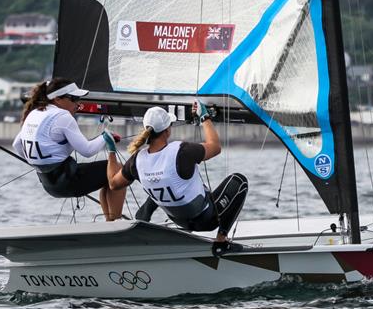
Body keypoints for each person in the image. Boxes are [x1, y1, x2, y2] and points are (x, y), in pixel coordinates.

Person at [107, 100, 248, 251]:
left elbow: (113, 184)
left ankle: (141, 221)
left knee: (159, 181)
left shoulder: (137, 160)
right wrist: (205, 117)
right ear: (167, 130)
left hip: (180, 222)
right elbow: (215, 147)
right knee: (239, 181)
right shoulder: (181, 151)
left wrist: (111, 150)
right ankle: (221, 240)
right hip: (207, 220)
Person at [13, 78, 126, 221]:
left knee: (107, 174)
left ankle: (110, 221)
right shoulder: (62, 116)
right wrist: (106, 136)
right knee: (118, 171)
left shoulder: (35, 113)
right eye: (74, 98)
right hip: (68, 181)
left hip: (48, 185)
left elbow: (17, 145)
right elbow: (87, 151)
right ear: (58, 99)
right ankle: (114, 222)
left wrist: (40, 164)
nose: (78, 103)